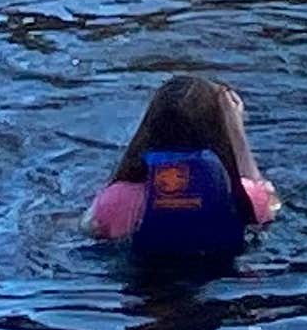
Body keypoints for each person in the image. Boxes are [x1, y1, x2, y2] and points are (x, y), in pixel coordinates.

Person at [85, 71, 280, 270]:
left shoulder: (118, 199)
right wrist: (236, 132)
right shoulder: (243, 198)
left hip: (144, 285)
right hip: (216, 281)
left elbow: (90, 227)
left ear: (149, 128)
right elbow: (270, 204)